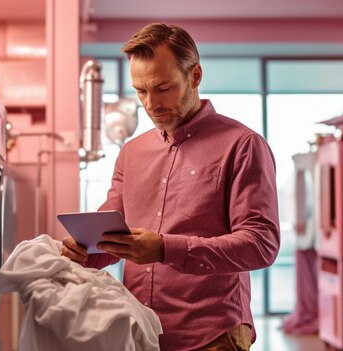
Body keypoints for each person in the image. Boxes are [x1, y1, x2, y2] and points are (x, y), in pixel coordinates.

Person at [61, 23, 280, 351]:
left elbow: (261, 244)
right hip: (138, 332)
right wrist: (82, 251)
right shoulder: (131, 153)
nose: (151, 103)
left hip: (212, 336)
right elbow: (112, 235)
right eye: (141, 91)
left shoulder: (243, 146)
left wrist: (165, 249)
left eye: (163, 88)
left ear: (194, 76)